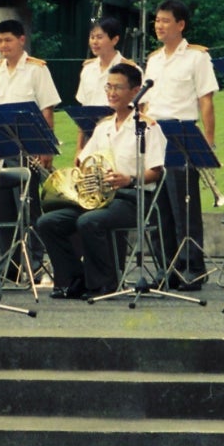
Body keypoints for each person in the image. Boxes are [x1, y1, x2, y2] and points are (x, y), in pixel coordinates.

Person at [36, 63, 166, 299]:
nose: (111, 93)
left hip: (133, 198)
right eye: (109, 87)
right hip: (100, 198)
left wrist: (129, 179)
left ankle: (103, 283)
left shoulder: (148, 127)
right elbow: (84, 163)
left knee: (89, 221)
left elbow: (156, 171)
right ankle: (74, 279)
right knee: (48, 222)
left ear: (135, 91)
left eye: (118, 88)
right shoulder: (103, 127)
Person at [142, 0, 218, 290]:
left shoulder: (197, 57)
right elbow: (146, 101)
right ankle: (167, 268)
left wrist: (207, 142)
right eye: (157, 20)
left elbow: (206, 100)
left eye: (165, 20)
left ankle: (192, 268)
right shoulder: (154, 59)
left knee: (184, 207)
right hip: (155, 134)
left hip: (183, 133)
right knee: (159, 207)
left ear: (181, 25)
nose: (159, 25)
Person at [0, 19, 61, 280]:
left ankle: (34, 264)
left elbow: (47, 109)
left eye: (8, 40)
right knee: (2, 210)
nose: (3, 45)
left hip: (27, 150)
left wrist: (45, 147)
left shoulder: (36, 69)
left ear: (21, 40)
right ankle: (8, 266)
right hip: (0, 149)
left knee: (28, 209)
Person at [74, 17, 136, 156]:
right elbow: (84, 111)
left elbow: (140, 108)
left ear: (114, 40)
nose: (94, 42)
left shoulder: (130, 70)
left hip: (121, 136)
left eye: (100, 37)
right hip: (91, 137)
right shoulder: (87, 70)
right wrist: (79, 148)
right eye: (92, 37)